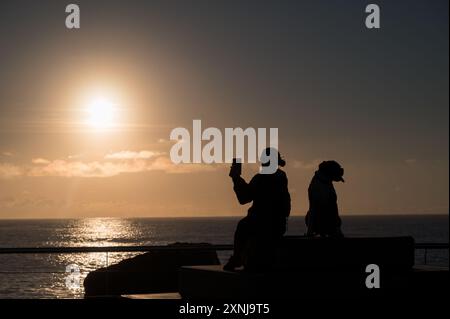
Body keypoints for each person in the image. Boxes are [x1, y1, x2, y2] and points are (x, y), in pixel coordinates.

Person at [224, 148, 291, 271]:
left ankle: (237, 258)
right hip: (278, 223)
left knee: (242, 226)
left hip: (262, 222)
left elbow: (244, 198)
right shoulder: (281, 176)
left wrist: (236, 177)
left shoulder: (262, 178)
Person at [305, 160, 345, 237]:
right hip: (323, 223)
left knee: (311, 213)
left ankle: (313, 231)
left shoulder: (325, 181)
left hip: (326, 222)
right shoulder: (318, 185)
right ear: (329, 173)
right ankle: (314, 231)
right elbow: (314, 209)